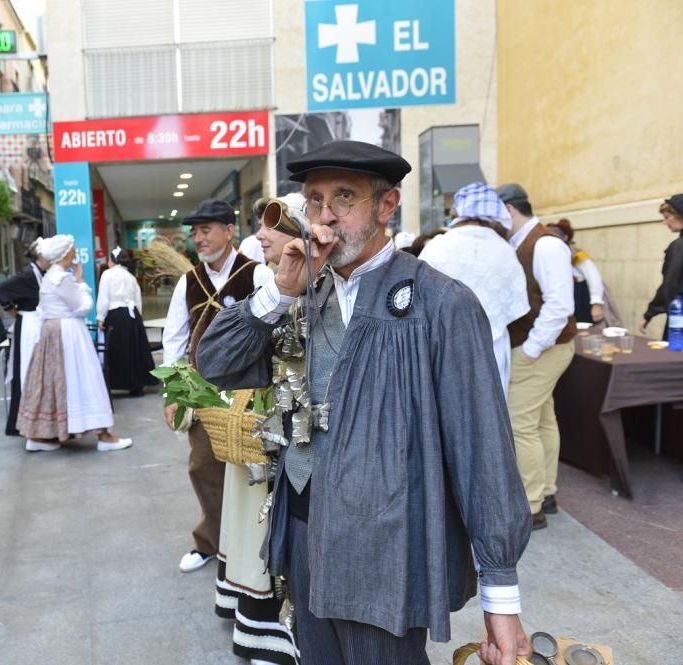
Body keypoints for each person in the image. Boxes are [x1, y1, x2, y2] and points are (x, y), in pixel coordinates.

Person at [197, 141, 532, 665]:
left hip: (387, 549)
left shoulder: (441, 303)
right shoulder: (303, 296)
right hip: (305, 535)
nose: (325, 216)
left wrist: (502, 598)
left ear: (387, 205)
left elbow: (482, 452)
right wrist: (280, 290)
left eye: (344, 198)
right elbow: (214, 363)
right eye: (314, 201)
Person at [215, 193, 306, 665]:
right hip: (261, 424)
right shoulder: (265, 288)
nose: (261, 236)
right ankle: (263, 629)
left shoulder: (324, 290)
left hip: (302, 433)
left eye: (275, 228)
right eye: (260, 227)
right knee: (259, 523)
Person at [161, 199, 275, 574]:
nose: (199, 238)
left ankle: (259, 542)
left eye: (206, 229)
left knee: (251, 470)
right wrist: (174, 394)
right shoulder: (187, 280)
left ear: (230, 231)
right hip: (201, 389)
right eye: (195, 232)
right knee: (203, 467)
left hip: (250, 389)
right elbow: (174, 340)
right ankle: (209, 541)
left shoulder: (256, 274)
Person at [497, 183, 576, 531]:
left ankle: (531, 507)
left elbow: (560, 306)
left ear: (510, 210)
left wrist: (530, 350)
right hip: (542, 345)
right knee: (542, 420)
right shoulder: (524, 242)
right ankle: (545, 493)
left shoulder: (545, 243)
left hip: (544, 346)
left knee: (519, 424)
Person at [16, 235, 132, 452]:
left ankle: (42, 436)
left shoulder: (49, 276)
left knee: (53, 383)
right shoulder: (61, 278)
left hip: (52, 332)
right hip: (68, 333)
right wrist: (81, 282)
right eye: (72, 250)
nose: (75, 253)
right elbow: (82, 307)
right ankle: (104, 436)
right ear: (64, 254)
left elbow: (44, 308)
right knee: (85, 379)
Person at [419, 182, 530, 393]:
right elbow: (516, 303)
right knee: (490, 410)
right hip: (492, 346)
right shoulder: (504, 250)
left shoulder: (437, 246)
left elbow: (419, 298)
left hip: (443, 347)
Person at [0, 241, 49, 436]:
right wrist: (12, 311)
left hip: (34, 324)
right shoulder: (27, 275)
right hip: (28, 326)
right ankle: (21, 420)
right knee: (25, 370)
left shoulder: (40, 274)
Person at [96, 247, 157, 396]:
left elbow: (104, 297)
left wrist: (100, 316)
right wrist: (138, 318)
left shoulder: (107, 274)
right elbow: (138, 299)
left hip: (115, 315)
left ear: (112, 260)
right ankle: (136, 386)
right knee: (134, 350)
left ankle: (116, 383)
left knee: (117, 349)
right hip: (132, 316)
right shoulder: (130, 276)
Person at [546, 219, 617, 325]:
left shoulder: (576, 255)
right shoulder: (549, 255)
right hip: (561, 296)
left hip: (579, 296)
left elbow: (594, 277)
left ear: (565, 237)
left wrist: (596, 304)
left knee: (583, 328)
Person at [640, 194, 683, 338]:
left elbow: (669, 285)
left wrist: (649, 314)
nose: (664, 222)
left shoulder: (679, 247)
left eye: (667, 217)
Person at [238, 198, 270, 264]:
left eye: (269, 227)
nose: (258, 236)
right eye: (261, 226)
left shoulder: (251, 242)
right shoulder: (250, 242)